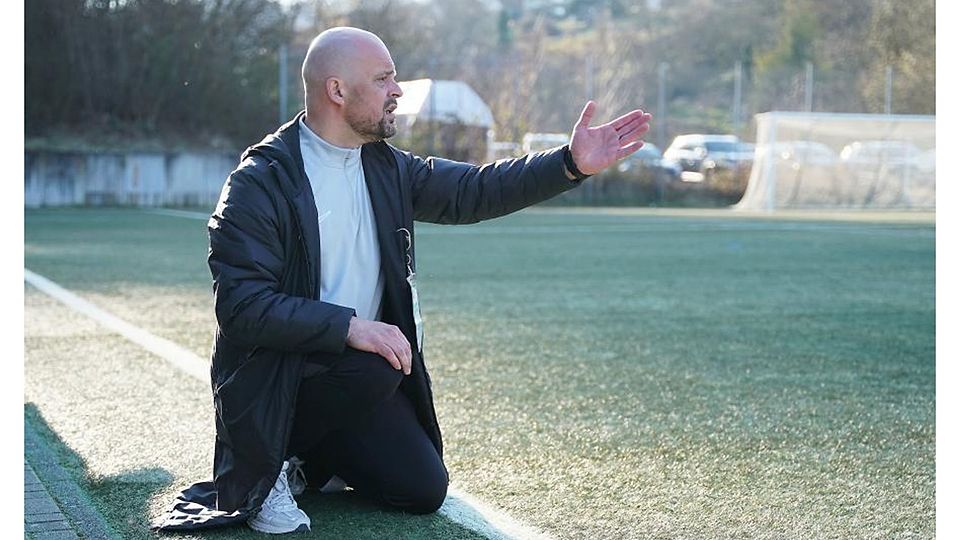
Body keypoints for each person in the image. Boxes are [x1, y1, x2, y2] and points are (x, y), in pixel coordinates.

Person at [153, 26, 651, 534]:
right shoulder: (261, 181)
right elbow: (242, 307)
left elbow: (474, 191)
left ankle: (310, 459)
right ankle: (270, 464)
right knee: (377, 365)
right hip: (278, 379)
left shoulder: (386, 167)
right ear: (337, 90)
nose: (397, 91)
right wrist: (350, 327)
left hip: (352, 375)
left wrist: (569, 164)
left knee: (421, 489)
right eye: (383, 79)